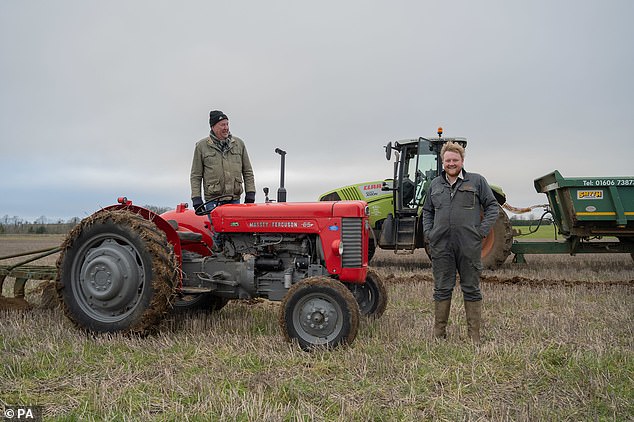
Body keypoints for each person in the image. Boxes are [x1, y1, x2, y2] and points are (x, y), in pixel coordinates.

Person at [421, 141, 499, 345]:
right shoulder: (435, 185)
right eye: (448, 160)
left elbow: (492, 207)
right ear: (442, 162)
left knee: (471, 288)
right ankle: (439, 335)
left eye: (455, 160)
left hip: (468, 245)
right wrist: (429, 233)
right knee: (442, 289)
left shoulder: (477, 181)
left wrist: (481, 232)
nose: (451, 163)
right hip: (441, 246)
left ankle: (474, 337)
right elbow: (427, 211)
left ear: (462, 161)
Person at [190, 110, 256, 211]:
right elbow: (196, 175)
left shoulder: (239, 144)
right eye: (222, 125)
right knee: (215, 227)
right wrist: (196, 199)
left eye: (227, 124)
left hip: (234, 200)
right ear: (213, 127)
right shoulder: (201, 146)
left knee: (235, 227)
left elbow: (247, 171)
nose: (226, 128)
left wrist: (250, 193)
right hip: (213, 201)